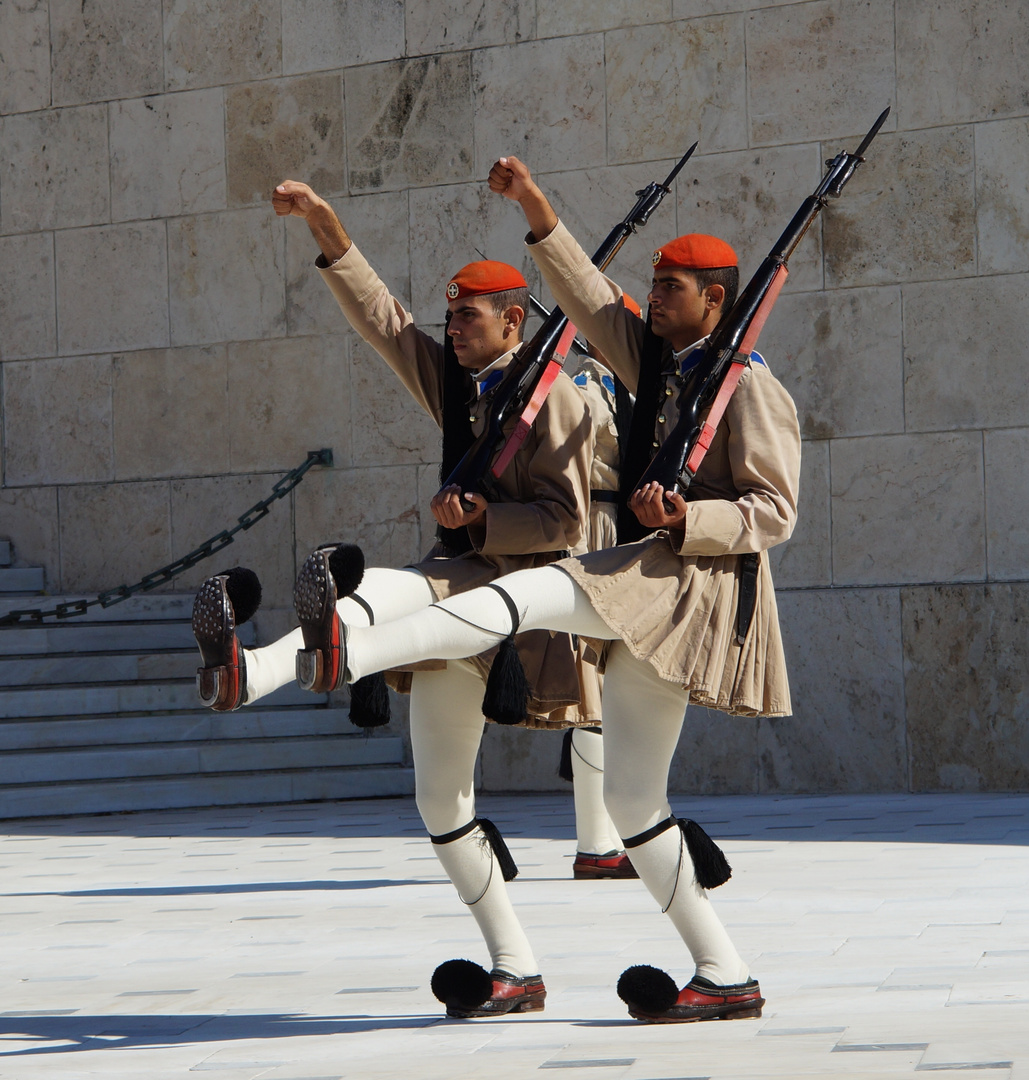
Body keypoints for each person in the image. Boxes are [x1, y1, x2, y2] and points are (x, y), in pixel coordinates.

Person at [277, 156, 802, 1023]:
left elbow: (772, 511)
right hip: (641, 568)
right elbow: (590, 298)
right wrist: (533, 209)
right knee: (635, 799)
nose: (653, 297)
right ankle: (724, 974)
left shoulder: (751, 386)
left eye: (671, 288)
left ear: (716, 299)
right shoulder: (655, 367)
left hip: (693, 584)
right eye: (655, 284)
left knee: (532, 597)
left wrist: (683, 520)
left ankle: (351, 646)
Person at [193, 178, 617, 1018]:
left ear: (515, 320)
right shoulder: (458, 385)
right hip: (456, 579)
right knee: (438, 799)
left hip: (516, 600)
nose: (451, 326)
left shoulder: (559, 396)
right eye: (451, 313)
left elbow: (566, 521)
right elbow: (384, 322)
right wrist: (326, 229)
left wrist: (483, 515)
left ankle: (309, 656)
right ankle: (515, 968)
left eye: (469, 315)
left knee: (385, 597)